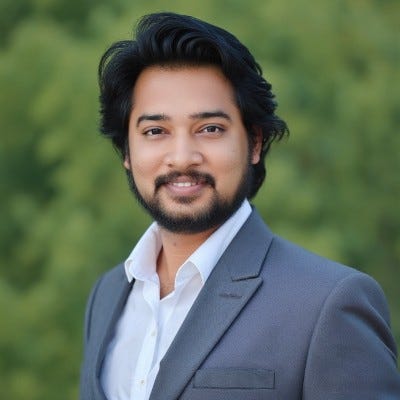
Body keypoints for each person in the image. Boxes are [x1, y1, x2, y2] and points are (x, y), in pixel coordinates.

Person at [79, 12, 400, 400]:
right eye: (155, 131)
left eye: (210, 129)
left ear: (254, 143)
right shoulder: (108, 295)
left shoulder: (327, 304)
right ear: (126, 152)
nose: (182, 157)